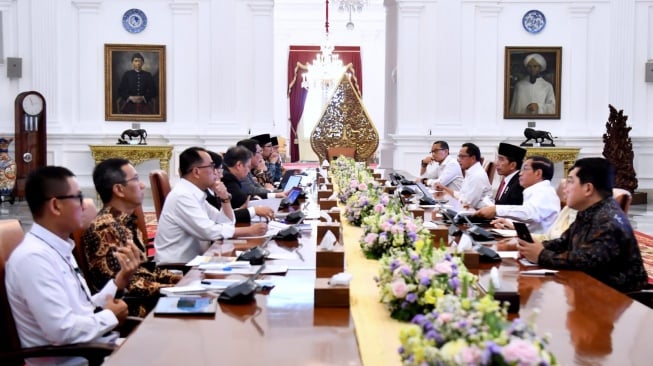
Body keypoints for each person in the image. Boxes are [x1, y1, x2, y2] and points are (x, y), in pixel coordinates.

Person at [5, 166, 142, 365]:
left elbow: (83, 309)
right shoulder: (33, 258)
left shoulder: (56, 247)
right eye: (78, 197)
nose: (85, 205)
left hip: (94, 350)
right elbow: (62, 331)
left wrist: (118, 282)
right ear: (56, 205)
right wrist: (110, 316)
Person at [517, 157, 648, 293]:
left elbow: (585, 261)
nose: (565, 190)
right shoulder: (589, 211)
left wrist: (541, 255)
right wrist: (535, 247)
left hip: (620, 298)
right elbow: (564, 242)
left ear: (588, 188)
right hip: (592, 289)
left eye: (570, 182)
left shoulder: (608, 219)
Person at [83, 158, 182, 317]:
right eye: (136, 179)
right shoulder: (105, 228)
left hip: (153, 298)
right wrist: (176, 289)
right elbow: (126, 286)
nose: (142, 185)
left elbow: (145, 269)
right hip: (137, 308)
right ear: (119, 189)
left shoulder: (126, 221)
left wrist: (180, 279)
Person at [154, 147, 267, 264]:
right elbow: (208, 231)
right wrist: (248, 230)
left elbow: (225, 222)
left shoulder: (195, 193)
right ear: (196, 172)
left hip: (196, 260)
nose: (216, 172)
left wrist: (225, 198)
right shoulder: (182, 196)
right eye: (212, 167)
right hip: (177, 268)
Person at [475, 156, 560, 234]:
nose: (520, 173)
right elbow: (534, 224)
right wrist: (511, 226)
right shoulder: (537, 190)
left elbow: (529, 214)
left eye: (525, 169)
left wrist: (496, 210)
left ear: (538, 173)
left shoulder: (545, 192)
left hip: (541, 244)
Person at [206, 151, 274, 222]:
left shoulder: (210, 191)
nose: (221, 175)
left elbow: (222, 217)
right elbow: (219, 221)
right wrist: (254, 210)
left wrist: (240, 209)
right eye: (219, 171)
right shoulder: (228, 177)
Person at [434, 142, 491, 210]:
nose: (458, 159)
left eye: (462, 156)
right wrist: (444, 188)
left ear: (473, 158)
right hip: (470, 210)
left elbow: (467, 203)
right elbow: (462, 195)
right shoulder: (471, 171)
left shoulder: (477, 176)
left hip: (478, 214)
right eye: (459, 156)